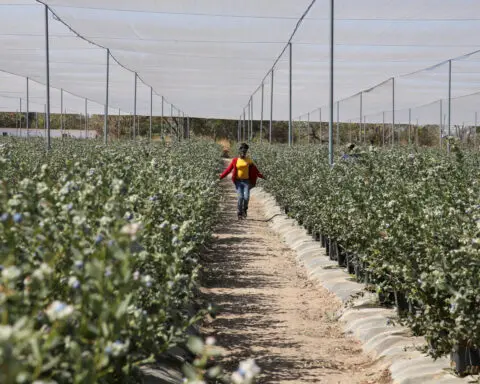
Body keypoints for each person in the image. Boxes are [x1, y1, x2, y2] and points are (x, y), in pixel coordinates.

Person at [219, 143, 265, 220]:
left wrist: (263, 176)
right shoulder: (235, 160)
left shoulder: (249, 160)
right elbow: (228, 170)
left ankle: (244, 210)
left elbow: (255, 170)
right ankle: (239, 213)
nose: (243, 154)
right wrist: (220, 177)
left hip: (246, 181)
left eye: (244, 152)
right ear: (239, 152)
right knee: (240, 197)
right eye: (242, 152)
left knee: (246, 197)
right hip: (238, 182)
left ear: (246, 152)